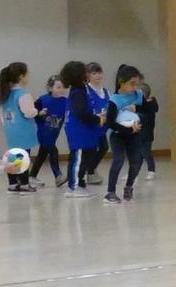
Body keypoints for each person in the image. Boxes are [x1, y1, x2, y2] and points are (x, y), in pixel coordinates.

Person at [58, 59, 109, 197]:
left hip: (84, 129)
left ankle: (80, 183)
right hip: (78, 129)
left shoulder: (81, 89)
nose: (88, 74)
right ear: (79, 75)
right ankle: (73, 187)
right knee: (78, 158)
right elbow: (81, 113)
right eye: (85, 72)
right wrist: (98, 119)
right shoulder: (78, 92)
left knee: (86, 157)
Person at [104, 65, 147, 203]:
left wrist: (138, 111)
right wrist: (128, 129)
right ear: (122, 82)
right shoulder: (114, 100)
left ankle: (129, 186)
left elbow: (149, 113)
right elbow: (109, 123)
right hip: (118, 135)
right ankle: (110, 192)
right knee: (118, 160)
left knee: (136, 162)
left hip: (135, 135)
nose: (135, 87)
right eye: (131, 84)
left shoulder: (139, 95)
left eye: (137, 84)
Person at [0, 62, 41, 195]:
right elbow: (28, 112)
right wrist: (37, 111)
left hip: (10, 128)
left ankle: (13, 184)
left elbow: (2, 113)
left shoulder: (6, 94)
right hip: (23, 129)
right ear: (21, 76)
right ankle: (25, 184)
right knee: (23, 156)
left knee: (13, 156)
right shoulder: (23, 94)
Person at [32, 74, 69, 188]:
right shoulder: (43, 100)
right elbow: (32, 112)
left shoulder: (66, 101)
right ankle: (58, 176)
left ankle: (32, 175)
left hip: (54, 134)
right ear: (50, 88)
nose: (61, 89)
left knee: (42, 154)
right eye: (58, 87)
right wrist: (39, 113)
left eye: (63, 87)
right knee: (53, 151)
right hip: (44, 132)